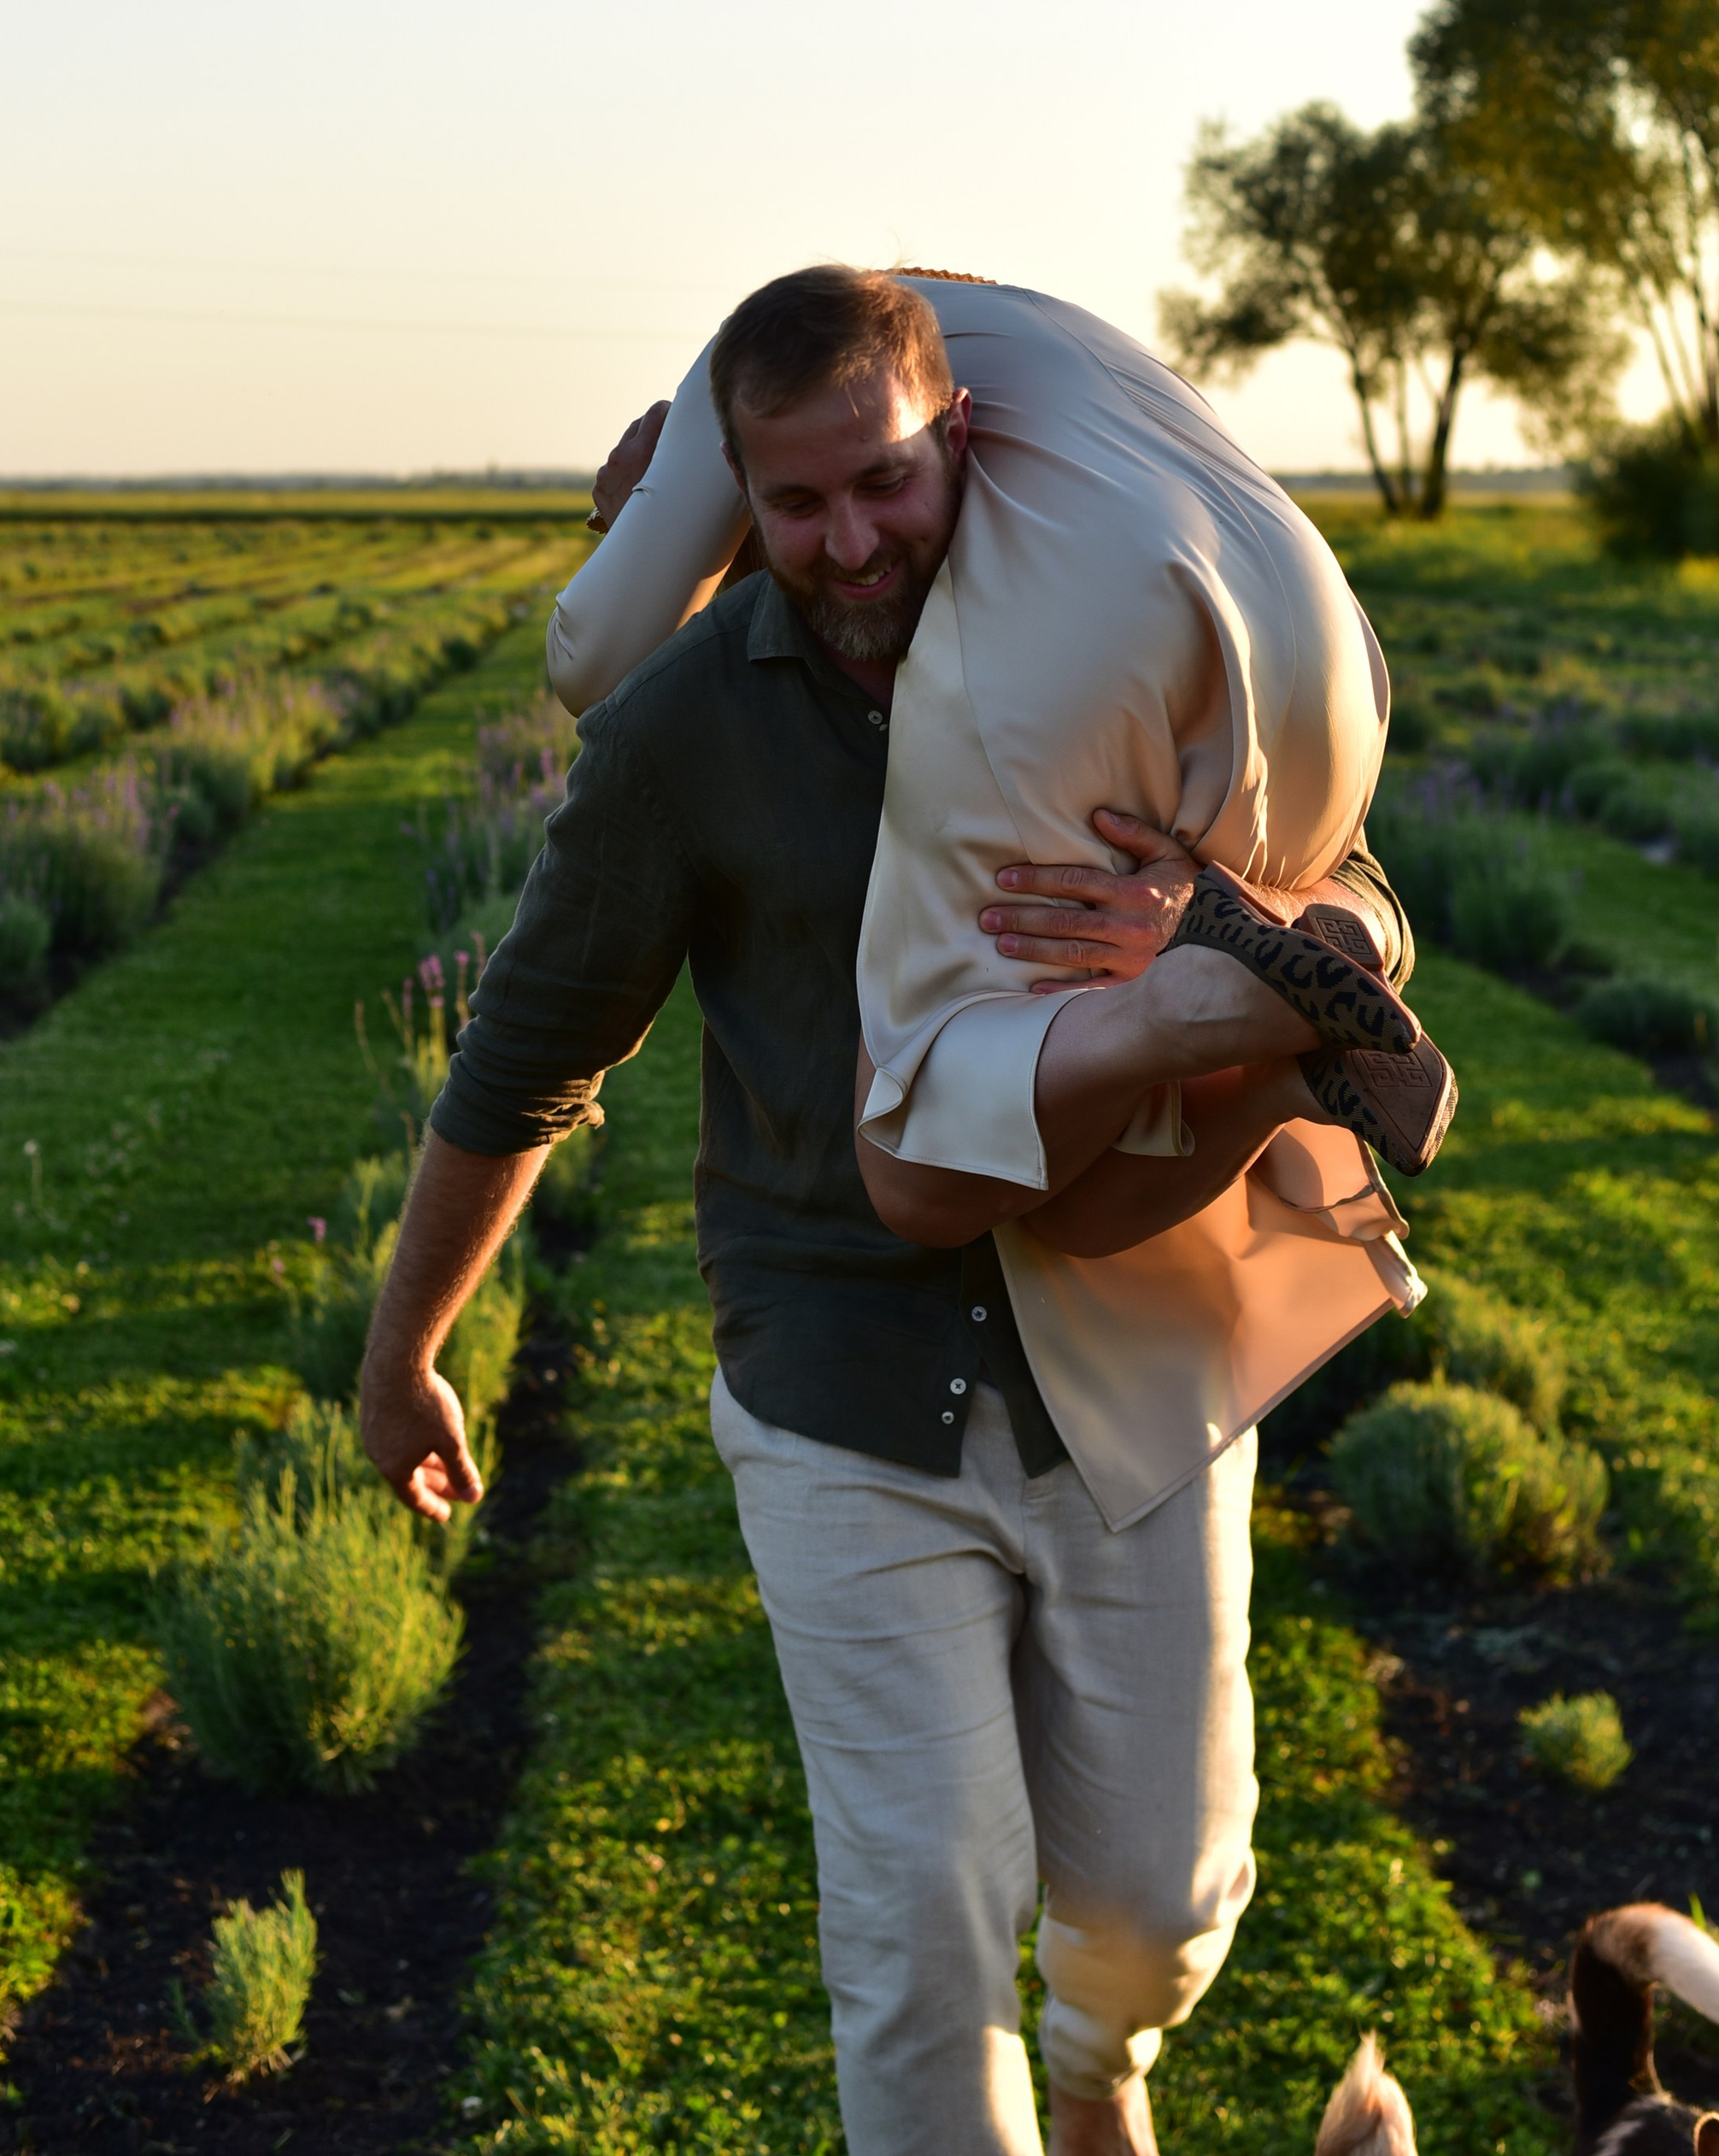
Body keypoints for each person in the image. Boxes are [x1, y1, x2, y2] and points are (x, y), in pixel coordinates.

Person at [361, 268, 1433, 2156]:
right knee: (917, 1922)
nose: (847, 543)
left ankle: (1104, 2067)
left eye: (880, 484)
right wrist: (404, 1356)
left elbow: (1358, 900)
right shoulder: (687, 730)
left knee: (1159, 1901)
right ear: (738, 504)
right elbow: (521, 1058)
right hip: (836, 1377)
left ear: (958, 439)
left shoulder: (1104, 638)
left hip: (1140, 1352)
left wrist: (1236, 938)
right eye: (792, 506)